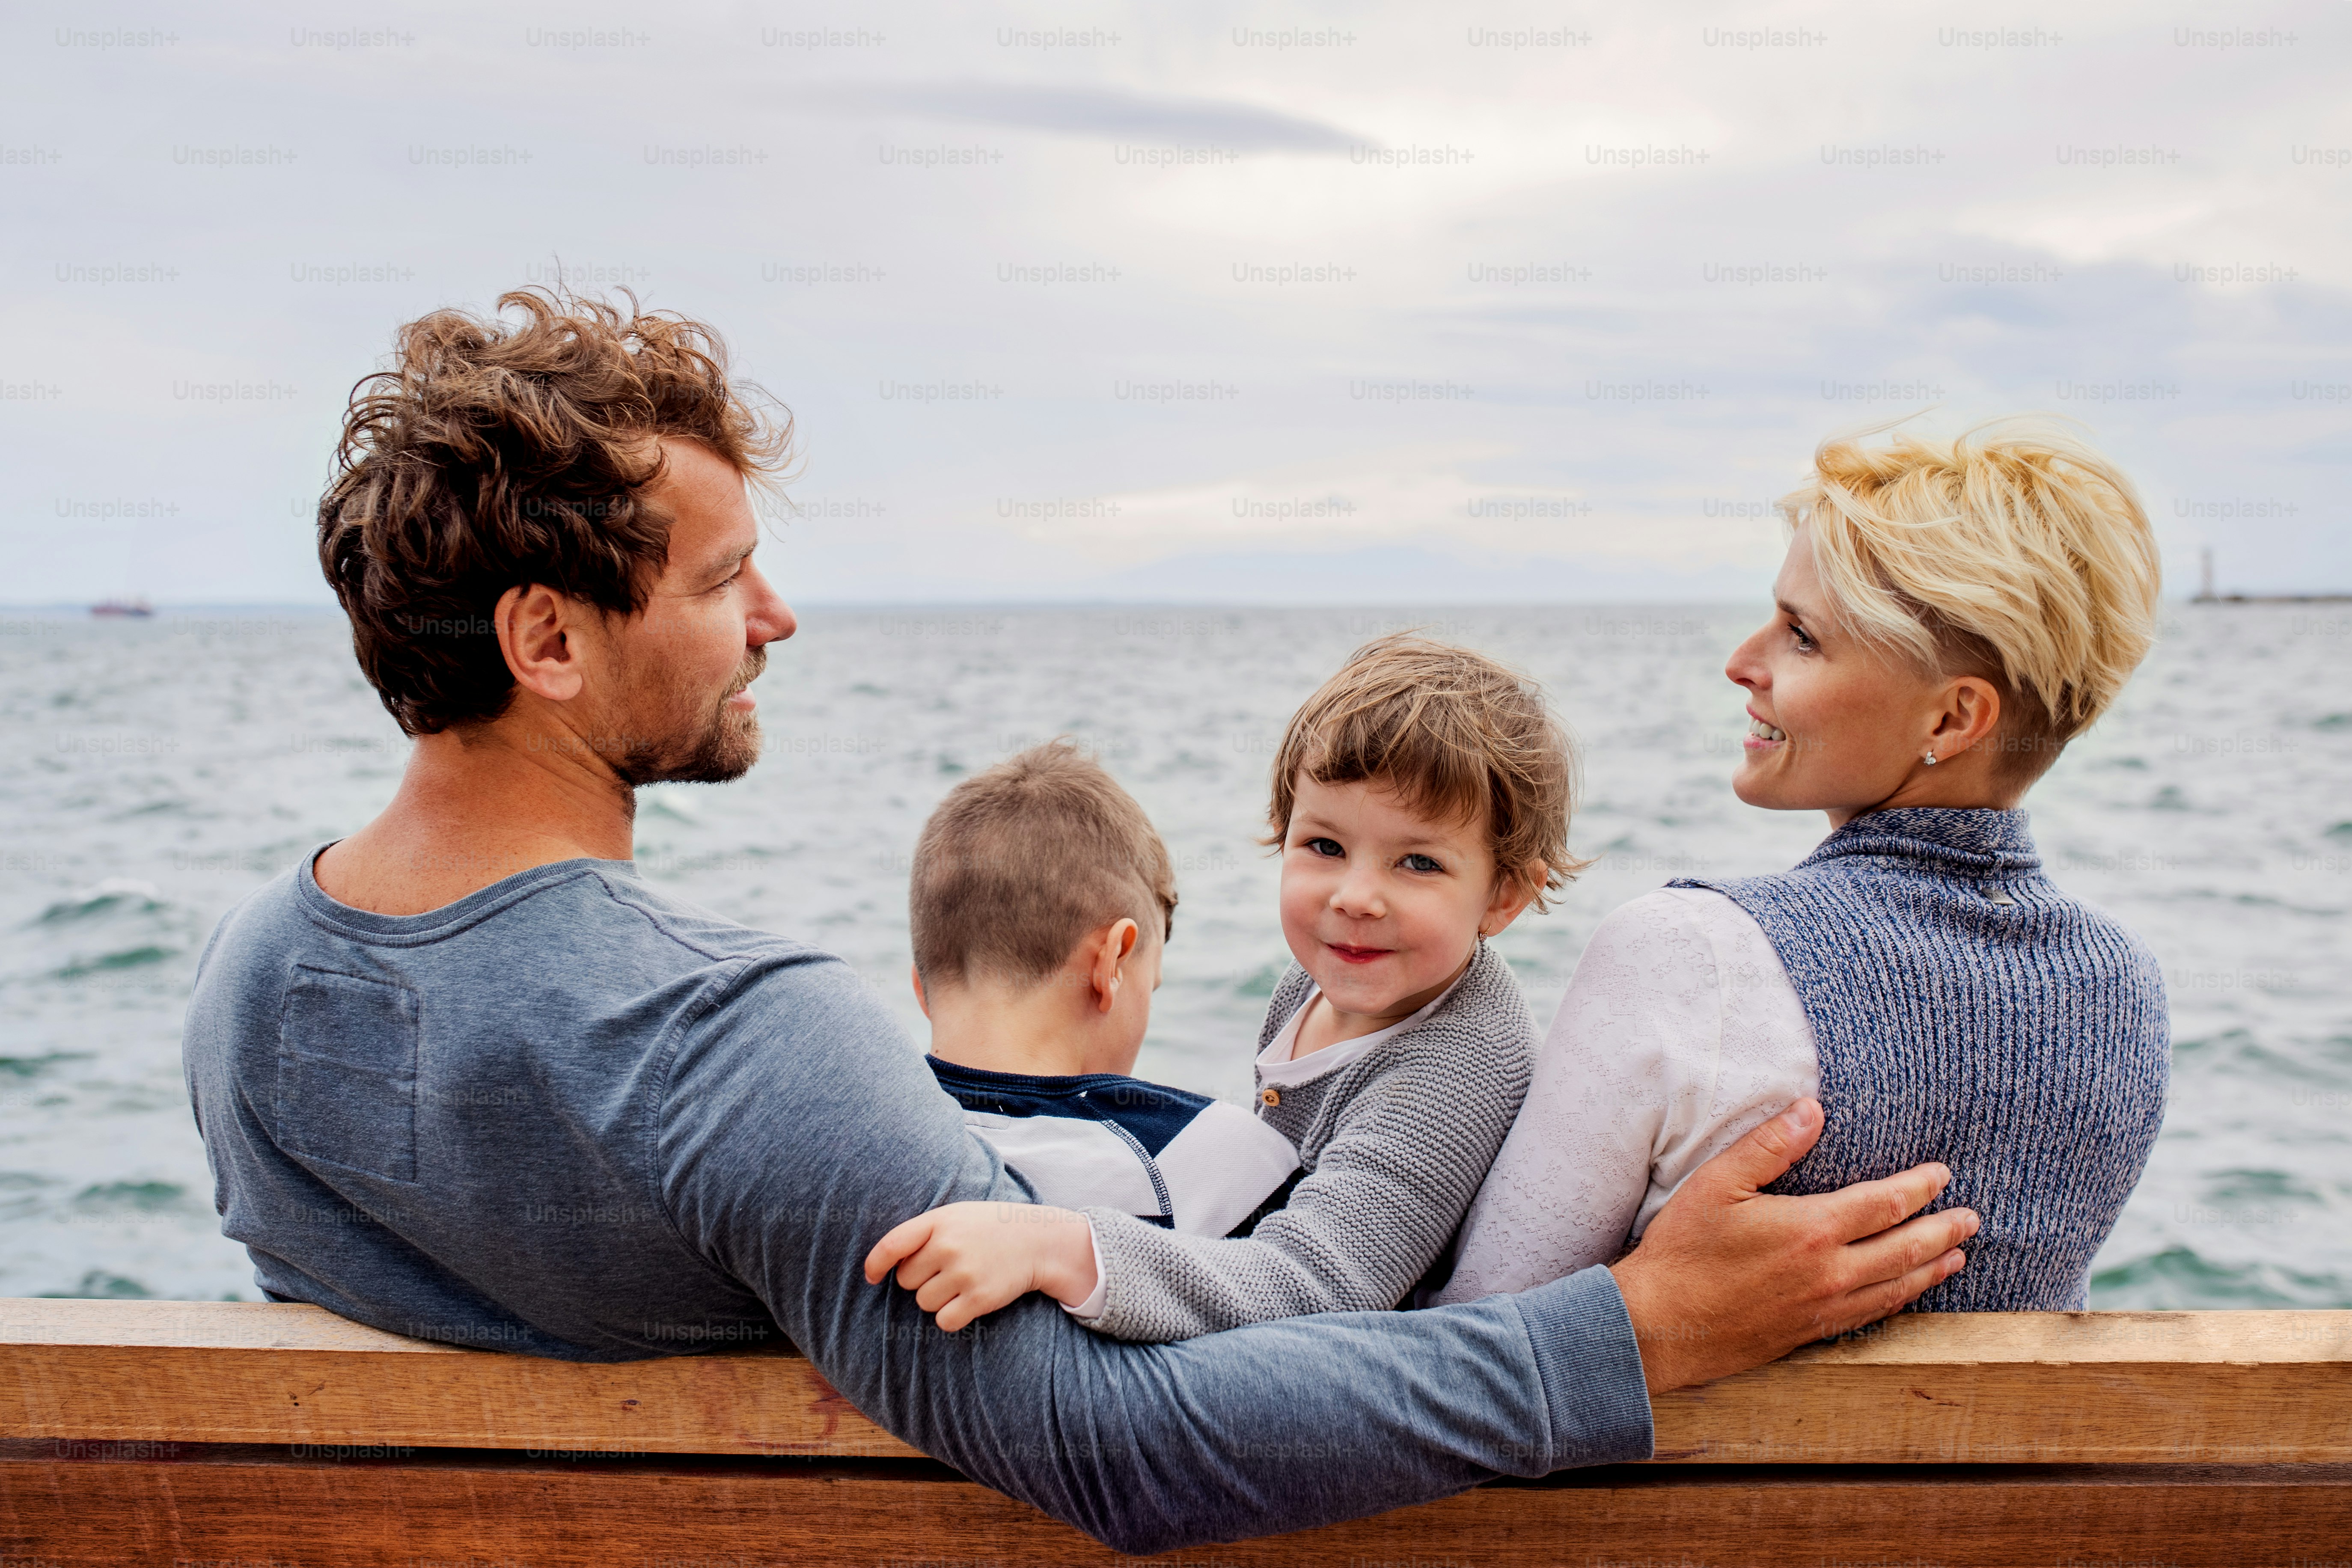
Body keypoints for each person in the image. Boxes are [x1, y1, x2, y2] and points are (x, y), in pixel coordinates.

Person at [180, 289, 1978, 1555]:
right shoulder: (726, 1044)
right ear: (547, 641)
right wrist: (1636, 1333)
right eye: (725, 578)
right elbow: (1130, 1454)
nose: (778, 616)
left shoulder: (246, 981)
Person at [1443, 419, 2166, 1313]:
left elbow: (1476, 1338)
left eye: (1802, 637)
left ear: (1949, 720)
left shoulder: (1685, 952)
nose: (1740, 662)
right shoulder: (2122, 990)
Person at [870, 636, 1564, 1338]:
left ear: (1505, 894)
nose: (1356, 896)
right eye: (1324, 845)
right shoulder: (1316, 979)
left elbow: (1319, 1283)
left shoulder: (1459, 1067)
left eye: (1417, 861)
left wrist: (1060, 1247)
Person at [909, 740, 1300, 1240]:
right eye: (1150, 985)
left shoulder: (859, 1145)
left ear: (921, 988)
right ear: (1111, 962)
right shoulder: (1215, 1161)